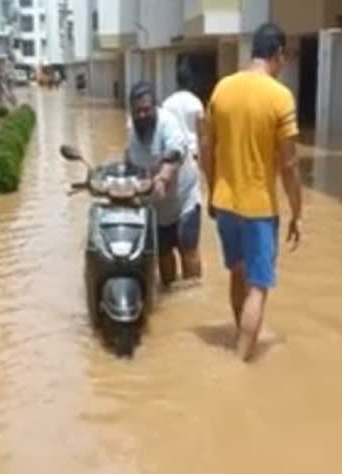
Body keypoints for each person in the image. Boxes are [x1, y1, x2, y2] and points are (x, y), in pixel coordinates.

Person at [201, 23, 303, 362]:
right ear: (278, 55)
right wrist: (298, 212)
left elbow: (206, 148)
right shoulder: (280, 96)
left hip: (224, 201)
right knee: (258, 285)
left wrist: (212, 188)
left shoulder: (221, 89)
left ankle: (238, 337)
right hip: (259, 208)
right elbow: (289, 165)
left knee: (237, 272)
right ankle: (241, 363)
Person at [126, 81, 202, 287]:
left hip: (183, 198)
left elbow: (175, 152)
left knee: (188, 248)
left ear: (155, 107)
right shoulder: (132, 130)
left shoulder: (168, 122)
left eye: (146, 109)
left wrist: (163, 176)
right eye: (137, 111)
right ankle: (170, 294)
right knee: (163, 252)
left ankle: (193, 296)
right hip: (156, 205)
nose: (142, 115)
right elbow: (130, 162)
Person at [162, 63, 205, 279]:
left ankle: (169, 284)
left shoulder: (167, 103)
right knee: (191, 247)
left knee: (166, 247)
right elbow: (201, 133)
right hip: (192, 159)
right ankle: (194, 287)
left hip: (171, 162)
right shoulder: (196, 102)